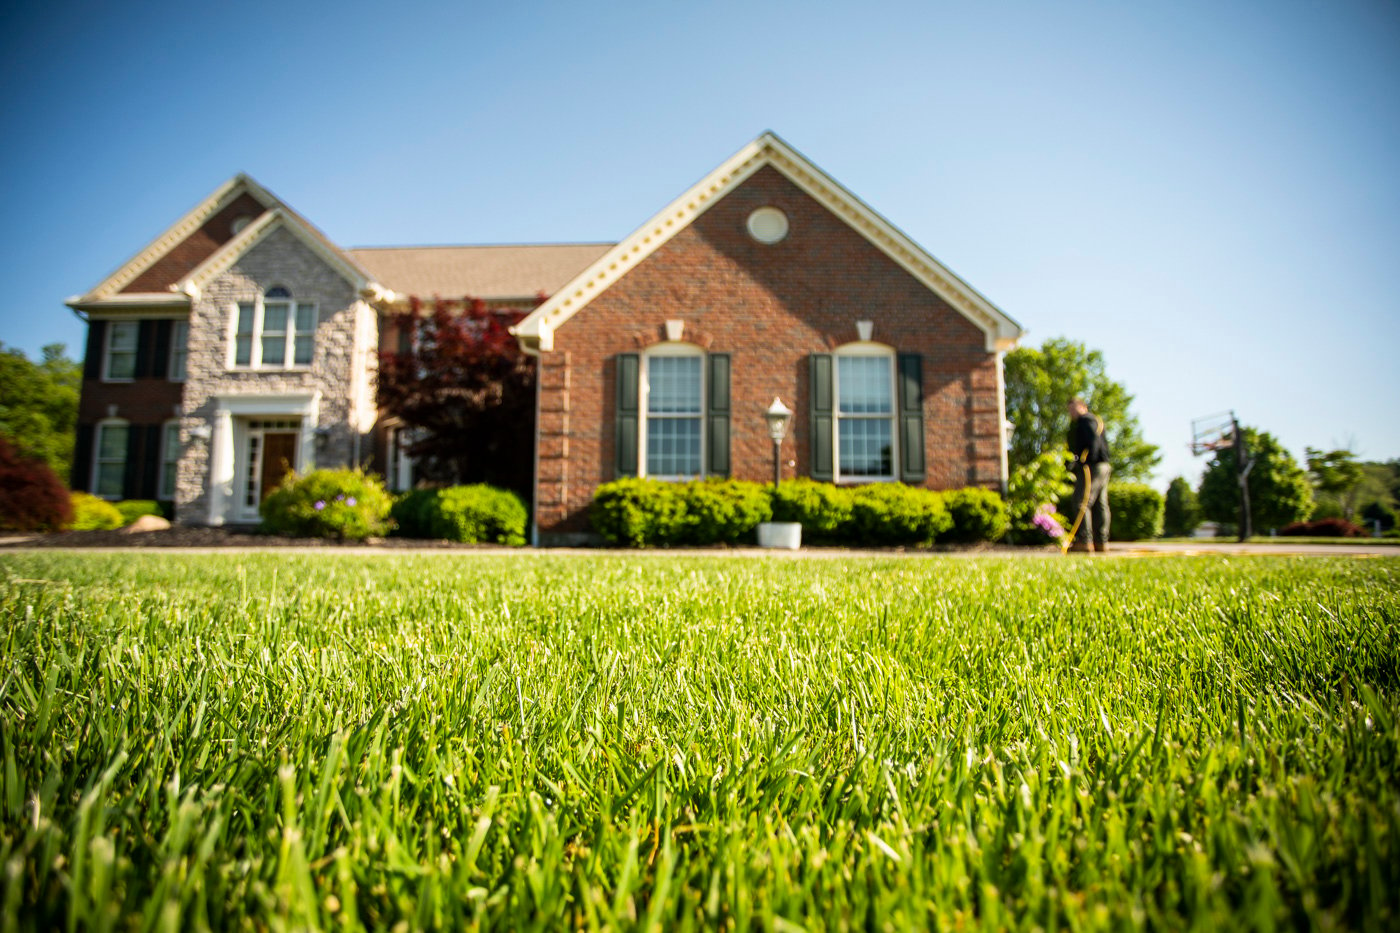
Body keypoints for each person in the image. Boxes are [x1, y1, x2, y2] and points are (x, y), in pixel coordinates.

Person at [1066, 398, 1111, 552]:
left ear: (1083, 407)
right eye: (1069, 411)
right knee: (1100, 503)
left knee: (1081, 501)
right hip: (1104, 465)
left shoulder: (1085, 420)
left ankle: (1085, 541)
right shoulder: (1097, 421)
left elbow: (1093, 440)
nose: (1071, 413)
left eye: (1073, 409)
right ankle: (1101, 542)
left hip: (1093, 466)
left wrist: (1084, 461)